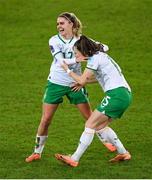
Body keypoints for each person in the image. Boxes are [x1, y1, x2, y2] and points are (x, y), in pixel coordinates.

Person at [25, 12, 117, 163]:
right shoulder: (54, 40)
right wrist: (79, 58)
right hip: (56, 83)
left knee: (90, 117)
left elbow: (105, 47)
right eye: (57, 24)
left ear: (71, 24)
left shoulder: (81, 40)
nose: (59, 26)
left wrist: (94, 49)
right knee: (46, 119)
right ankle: (37, 152)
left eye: (62, 23)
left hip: (76, 84)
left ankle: (107, 141)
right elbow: (61, 61)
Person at [55, 35, 132, 167]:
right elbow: (97, 78)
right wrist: (83, 82)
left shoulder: (95, 59)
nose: (75, 56)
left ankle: (74, 158)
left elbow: (81, 79)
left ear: (82, 50)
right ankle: (123, 153)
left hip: (116, 95)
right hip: (125, 95)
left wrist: (67, 70)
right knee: (100, 126)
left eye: (76, 53)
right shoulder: (100, 56)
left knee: (90, 124)